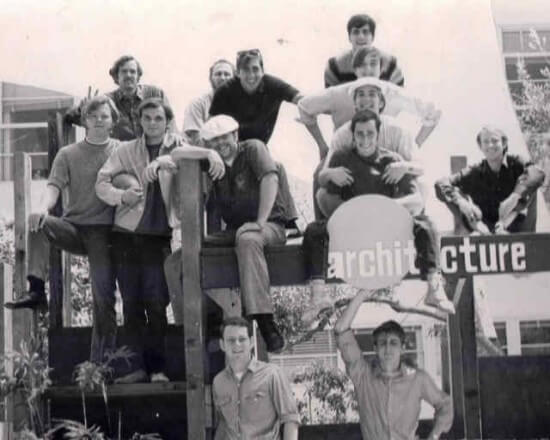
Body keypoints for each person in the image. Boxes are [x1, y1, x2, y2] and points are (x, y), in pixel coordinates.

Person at [95, 98, 220, 383]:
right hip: (125, 235)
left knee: (156, 301)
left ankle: (157, 369)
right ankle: (137, 368)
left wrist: (210, 156)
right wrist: (121, 196)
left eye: (158, 118)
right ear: (140, 121)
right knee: (131, 304)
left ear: (167, 121)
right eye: (147, 118)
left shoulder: (177, 146)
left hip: (157, 237)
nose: (152, 123)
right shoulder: (127, 150)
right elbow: (101, 182)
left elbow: (201, 153)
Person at [302, 110, 455, 324]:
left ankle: (434, 286)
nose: (365, 139)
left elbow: (416, 201)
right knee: (313, 231)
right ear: (353, 135)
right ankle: (318, 297)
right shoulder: (341, 159)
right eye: (360, 134)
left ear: (378, 134)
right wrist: (331, 177)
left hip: (386, 227)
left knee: (426, 223)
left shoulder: (392, 160)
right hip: (354, 227)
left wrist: (384, 207)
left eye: (370, 134)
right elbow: (325, 199)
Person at [5, 95, 120, 365]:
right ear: (84, 120)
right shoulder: (68, 154)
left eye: (104, 116)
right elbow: (52, 188)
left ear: (113, 120)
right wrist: (42, 209)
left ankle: (101, 364)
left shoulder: (121, 149)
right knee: (38, 222)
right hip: (74, 227)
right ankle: (36, 290)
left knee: (103, 298)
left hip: (105, 233)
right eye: (93, 116)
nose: (99, 121)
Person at [172, 115, 296, 352]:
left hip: (268, 225)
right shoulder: (212, 162)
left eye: (224, 137)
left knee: (248, 239)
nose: (220, 144)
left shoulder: (252, 149)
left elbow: (270, 178)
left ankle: (265, 321)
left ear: (235, 135)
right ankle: (211, 320)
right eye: (214, 141)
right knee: (187, 255)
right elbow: (177, 154)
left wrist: (260, 222)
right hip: (236, 231)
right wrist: (207, 154)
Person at [334, 295, 453, 440]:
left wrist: (434, 435)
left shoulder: (417, 378)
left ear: (402, 348)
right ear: (375, 348)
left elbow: (445, 404)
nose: (388, 348)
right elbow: (341, 330)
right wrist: (363, 294)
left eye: (393, 343)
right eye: (383, 343)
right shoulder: (363, 376)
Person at [301, 48, 440, 157]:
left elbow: (432, 113)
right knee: (321, 180)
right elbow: (304, 106)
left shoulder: (395, 93)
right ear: (355, 70)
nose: (368, 70)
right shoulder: (338, 93)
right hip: (344, 156)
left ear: (381, 68)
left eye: (373, 64)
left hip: (387, 158)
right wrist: (322, 145)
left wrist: (415, 146)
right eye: (362, 65)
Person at [435, 125, 545, 234]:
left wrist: (514, 197)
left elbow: (538, 173)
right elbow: (441, 183)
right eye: (486, 142)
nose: (490, 145)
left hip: (519, 234)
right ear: (480, 146)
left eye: (495, 141)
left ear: (504, 143)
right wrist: (462, 202)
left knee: (529, 186)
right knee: (453, 194)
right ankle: (470, 231)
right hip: (487, 233)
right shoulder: (475, 172)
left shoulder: (517, 163)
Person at [213, 317, 299, 440]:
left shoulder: (272, 375)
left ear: (252, 342)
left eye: (242, 339)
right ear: (222, 345)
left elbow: (290, 419)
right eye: (231, 340)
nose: (237, 344)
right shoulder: (218, 382)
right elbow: (223, 425)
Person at [65, 55, 171, 141]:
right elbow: (69, 117)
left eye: (133, 71)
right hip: (122, 159)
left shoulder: (155, 93)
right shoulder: (107, 101)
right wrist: (83, 109)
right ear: (116, 77)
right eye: (124, 72)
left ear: (138, 76)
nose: (128, 75)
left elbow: (170, 124)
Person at [324, 13, 404, 88]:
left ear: (372, 37)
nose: (361, 37)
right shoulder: (335, 66)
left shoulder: (390, 65)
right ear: (349, 37)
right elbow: (330, 99)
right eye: (356, 32)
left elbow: (398, 98)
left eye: (365, 32)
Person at [182, 59, 235, 145]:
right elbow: (196, 140)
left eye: (227, 74)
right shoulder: (197, 104)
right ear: (211, 78)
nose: (222, 78)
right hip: (204, 154)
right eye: (218, 74)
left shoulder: (240, 104)